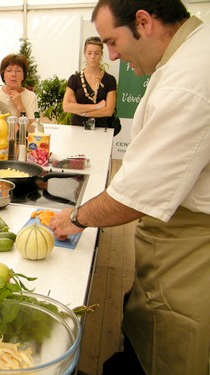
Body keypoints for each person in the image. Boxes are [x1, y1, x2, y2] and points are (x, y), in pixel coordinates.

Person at [49, 1, 210, 374]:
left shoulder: (189, 79)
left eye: (112, 41)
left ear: (144, 22)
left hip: (190, 255)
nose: (111, 54)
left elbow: (136, 194)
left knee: (168, 354)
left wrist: (77, 216)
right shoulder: (186, 56)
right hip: (172, 242)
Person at [63, 36, 117, 128]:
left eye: (96, 53)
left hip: (101, 130)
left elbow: (109, 111)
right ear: (84, 53)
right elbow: (66, 107)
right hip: (78, 129)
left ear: (101, 54)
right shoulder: (74, 79)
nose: (93, 57)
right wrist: (96, 107)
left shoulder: (110, 80)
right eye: (89, 53)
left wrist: (80, 110)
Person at [0, 54, 39, 120]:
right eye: (9, 70)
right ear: (3, 75)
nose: (13, 74)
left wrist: (20, 106)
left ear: (23, 76)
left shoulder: (30, 97)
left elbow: (31, 128)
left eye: (18, 71)